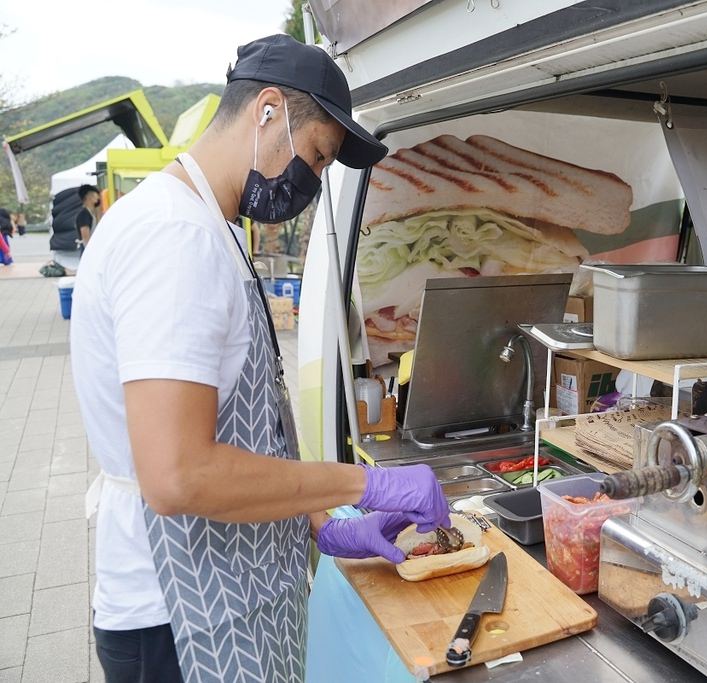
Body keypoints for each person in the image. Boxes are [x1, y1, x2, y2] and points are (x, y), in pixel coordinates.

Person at [70, 34, 448, 683]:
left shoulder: (205, 225)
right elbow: (178, 473)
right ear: (268, 111)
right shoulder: (173, 236)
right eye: (319, 155)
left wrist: (322, 522)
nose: (314, 181)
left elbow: (243, 432)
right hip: (177, 619)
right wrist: (364, 483)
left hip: (223, 594)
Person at [76, 184, 101, 248]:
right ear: (88, 196)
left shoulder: (92, 213)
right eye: (95, 194)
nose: (98, 197)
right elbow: (86, 238)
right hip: (88, 250)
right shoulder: (84, 215)